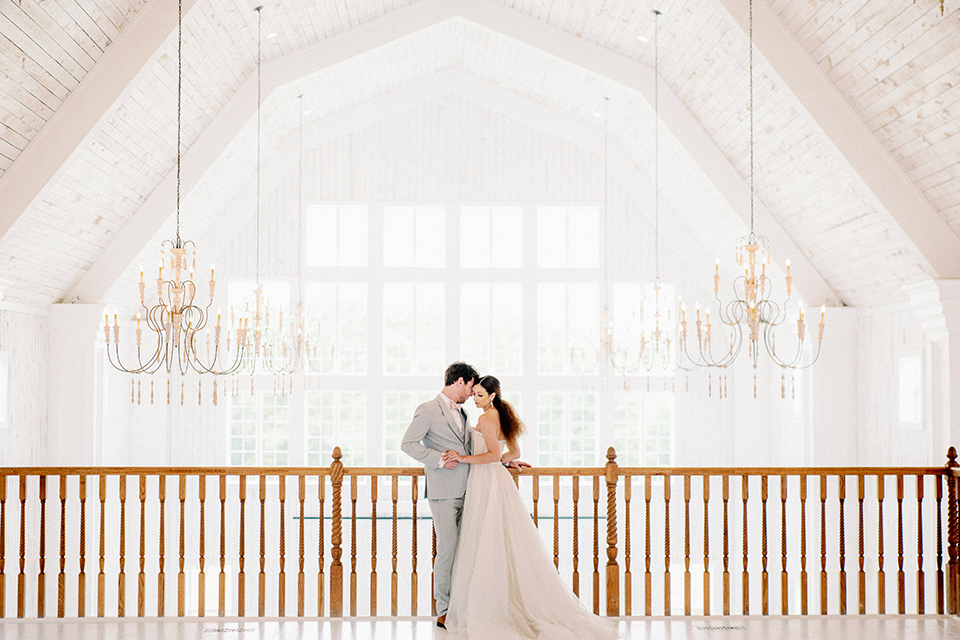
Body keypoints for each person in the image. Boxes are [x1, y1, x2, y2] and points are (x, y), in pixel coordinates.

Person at [441, 375, 618, 639]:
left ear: (492, 396)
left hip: (485, 480)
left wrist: (462, 458)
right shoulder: (503, 415)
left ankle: (488, 608)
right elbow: (514, 453)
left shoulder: (486, 419)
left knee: (485, 538)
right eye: (474, 394)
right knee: (499, 537)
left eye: (479, 395)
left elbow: (490, 454)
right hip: (495, 478)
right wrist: (503, 462)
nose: (475, 399)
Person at [400, 361, 479, 630]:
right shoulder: (427, 410)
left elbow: (472, 448)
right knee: (447, 550)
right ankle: (444, 610)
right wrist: (438, 460)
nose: (471, 393)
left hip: (470, 489)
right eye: (470, 387)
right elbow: (407, 443)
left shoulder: (465, 414)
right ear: (459, 381)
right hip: (443, 492)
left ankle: (463, 607)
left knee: (466, 550)